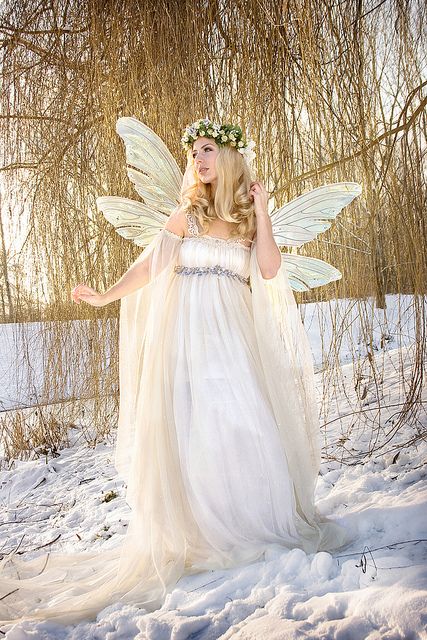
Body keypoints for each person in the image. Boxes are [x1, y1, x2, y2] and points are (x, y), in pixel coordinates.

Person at [0, 119, 352, 629]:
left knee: (244, 423)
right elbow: (150, 264)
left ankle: (251, 520)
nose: (199, 160)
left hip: (232, 339)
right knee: (197, 428)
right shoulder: (187, 213)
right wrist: (105, 294)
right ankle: (204, 531)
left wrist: (265, 213)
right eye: (194, 153)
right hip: (186, 341)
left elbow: (271, 270)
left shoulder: (249, 218)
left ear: (229, 156)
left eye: (208, 150)